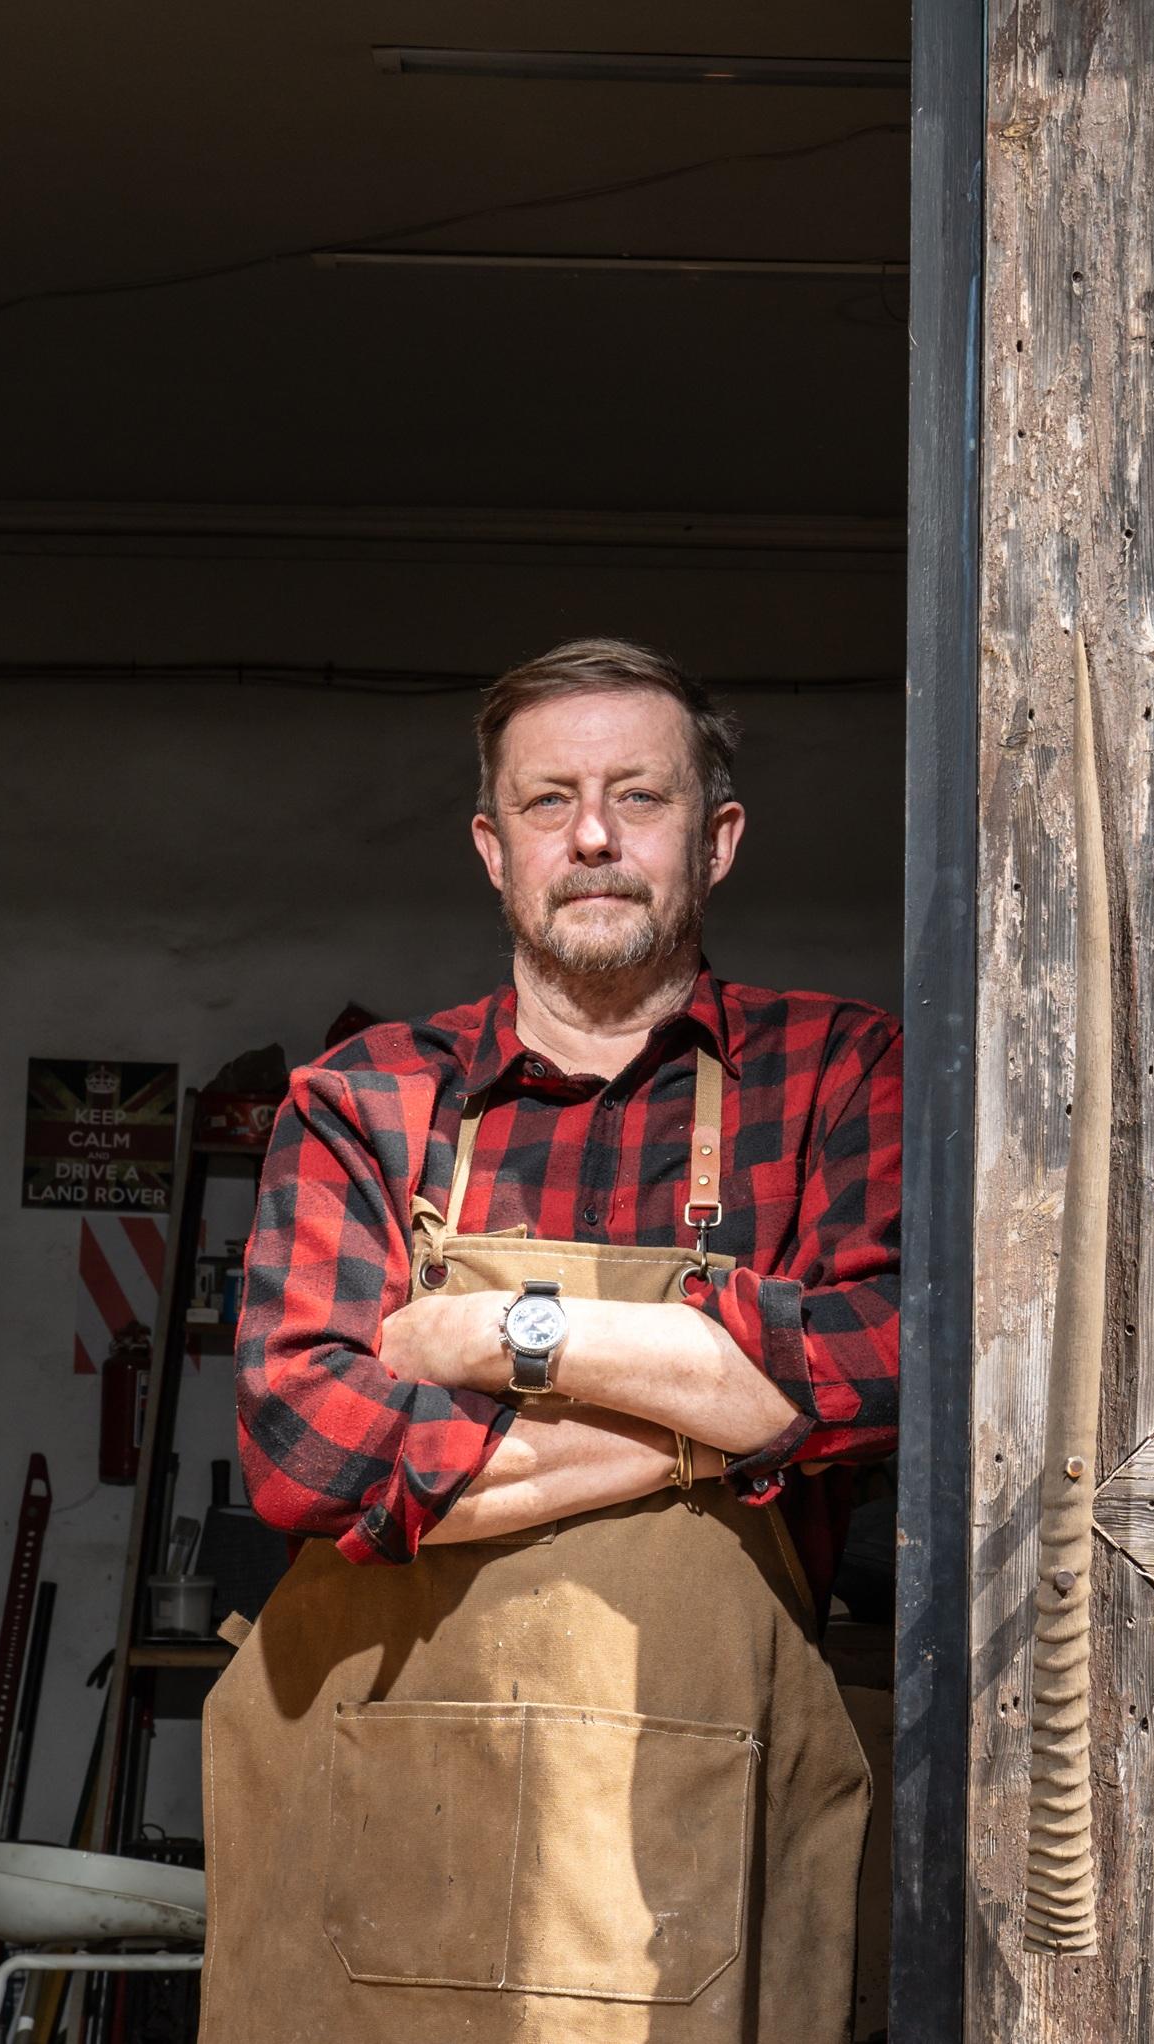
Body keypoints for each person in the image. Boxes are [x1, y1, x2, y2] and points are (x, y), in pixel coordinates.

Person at [199, 638, 898, 2044]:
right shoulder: (365, 1098)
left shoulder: (837, 1071)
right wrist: (714, 1419)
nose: (591, 836)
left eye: (637, 798)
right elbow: (304, 1457)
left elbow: (884, 1366)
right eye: (548, 801)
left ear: (716, 839)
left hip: (677, 1836)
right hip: (369, 1813)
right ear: (490, 845)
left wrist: (489, 1334)